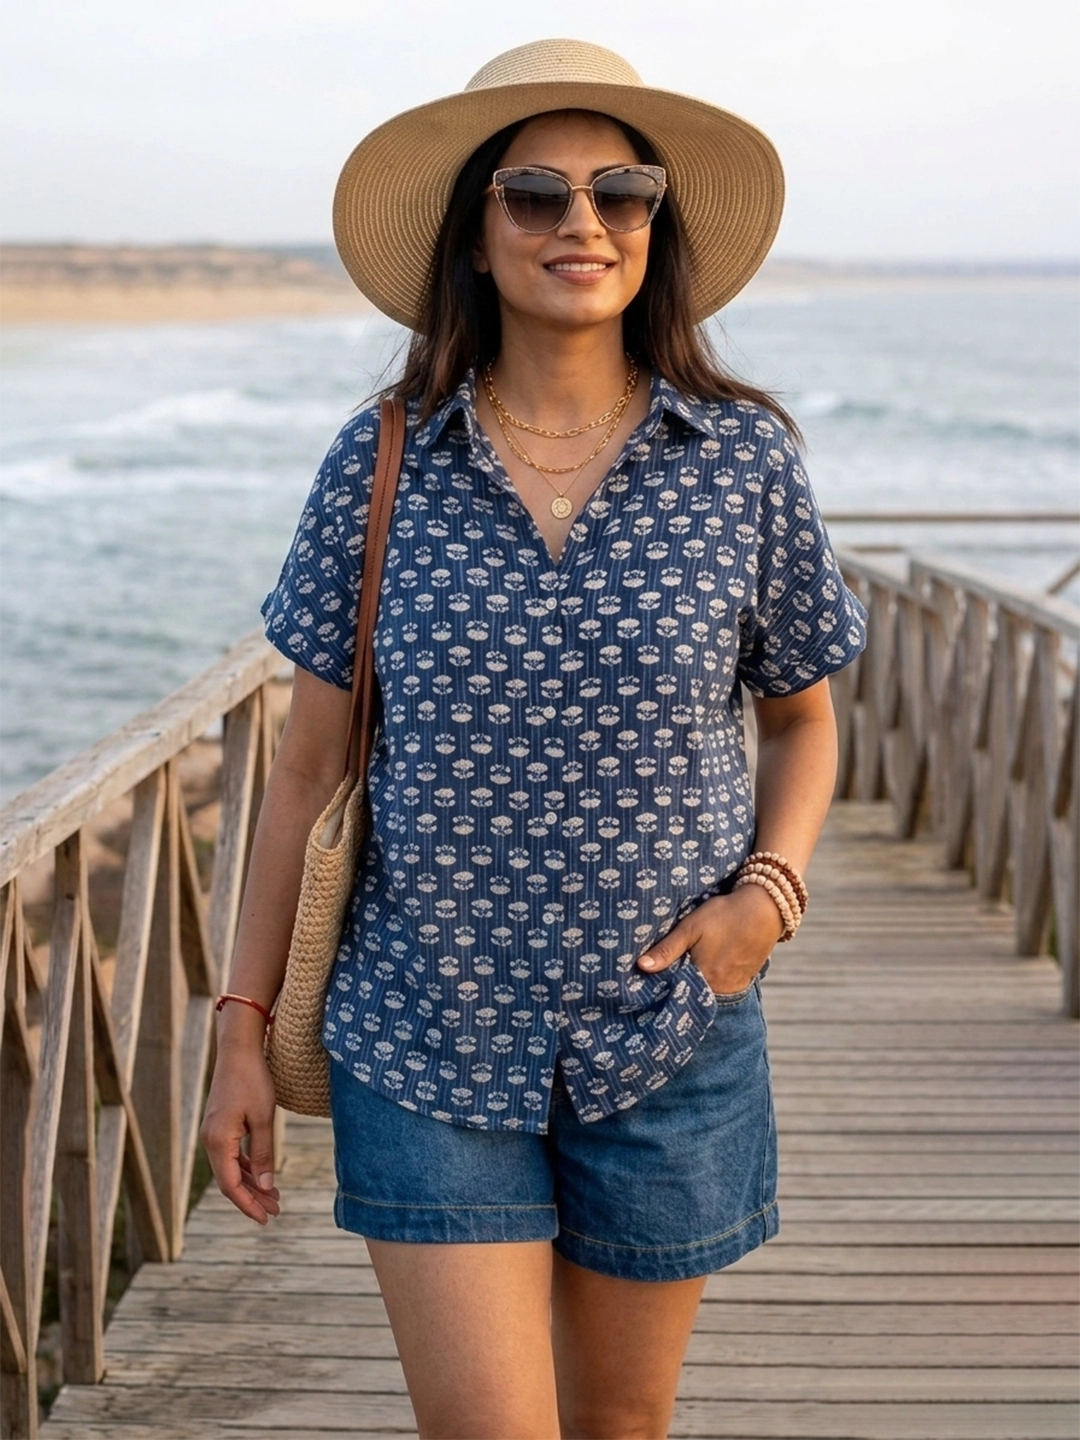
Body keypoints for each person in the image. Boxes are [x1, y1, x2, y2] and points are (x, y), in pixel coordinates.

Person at [201, 38, 867, 1440]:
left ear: (656, 223)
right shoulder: (381, 458)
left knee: (621, 1427)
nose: (584, 223)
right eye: (536, 193)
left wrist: (769, 899)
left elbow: (804, 721)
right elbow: (307, 772)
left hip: (671, 1035)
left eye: (622, 192)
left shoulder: (744, 460)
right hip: (424, 1034)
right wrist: (239, 1031)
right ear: (475, 231)